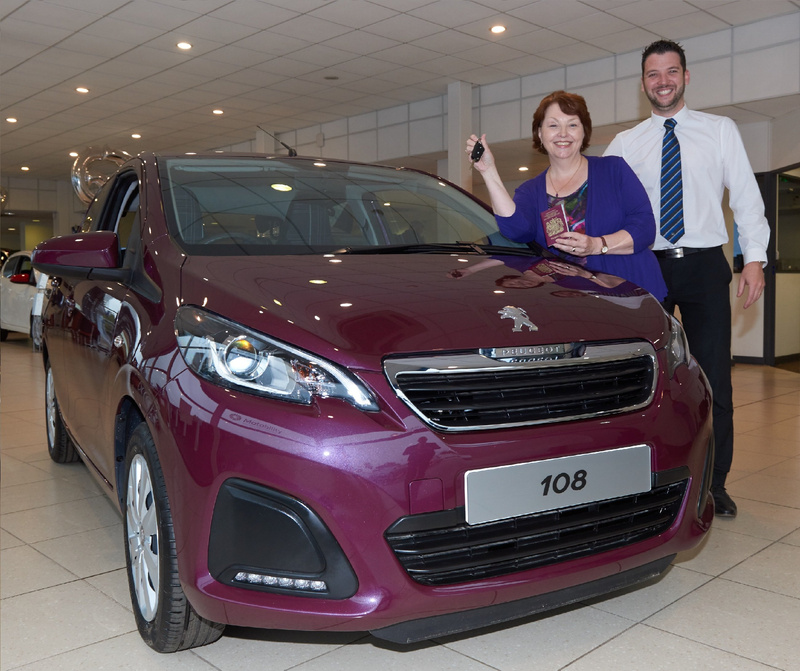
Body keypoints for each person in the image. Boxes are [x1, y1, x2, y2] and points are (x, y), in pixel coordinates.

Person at [604, 39, 770, 518]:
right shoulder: (625, 144)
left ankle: (714, 484)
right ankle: (644, 481)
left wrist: (754, 259)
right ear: (643, 83)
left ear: (686, 76)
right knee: (643, 381)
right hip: (645, 267)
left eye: (671, 71)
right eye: (653, 74)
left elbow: (745, 197)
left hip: (704, 265)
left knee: (714, 380)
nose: (663, 81)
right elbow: (598, 199)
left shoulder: (719, 131)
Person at [466, 90, 667, 301]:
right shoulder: (530, 191)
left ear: (583, 132)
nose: (563, 133)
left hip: (629, 294)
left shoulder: (613, 169)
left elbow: (645, 228)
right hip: (568, 302)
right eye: (553, 126)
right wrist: (489, 172)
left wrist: (596, 245)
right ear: (540, 134)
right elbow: (517, 231)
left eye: (572, 125)